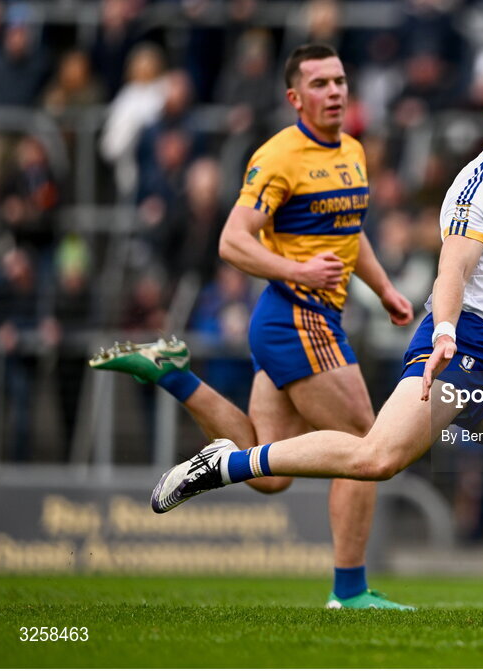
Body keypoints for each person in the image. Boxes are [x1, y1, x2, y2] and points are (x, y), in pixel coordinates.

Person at [149, 71, 483, 630]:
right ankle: (229, 462)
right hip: (465, 348)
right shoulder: (476, 188)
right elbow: (453, 268)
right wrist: (444, 334)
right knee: (376, 459)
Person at [91, 44, 415, 610]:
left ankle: (173, 376)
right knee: (368, 447)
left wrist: (383, 287)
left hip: (303, 317)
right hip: (296, 315)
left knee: (270, 473)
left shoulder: (355, 151)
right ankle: (350, 593)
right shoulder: (278, 156)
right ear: (294, 97)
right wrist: (299, 269)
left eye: (339, 80)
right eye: (320, 84)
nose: (335, 91)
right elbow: (231, 239)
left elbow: (348, 229)